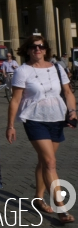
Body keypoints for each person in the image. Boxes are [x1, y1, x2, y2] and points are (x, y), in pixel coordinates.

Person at [6, 35, 76, 224]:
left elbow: (68, 92)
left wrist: (73, 111)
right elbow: (15, 100)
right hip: (34, 119)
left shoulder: (57, 68)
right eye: (34, 47)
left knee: (45, 162)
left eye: (41, 47)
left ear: (46, 49)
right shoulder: (23, 71)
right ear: (27, 50)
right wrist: (10, 125)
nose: (38, 50)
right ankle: (62, 209)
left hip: (57, 118)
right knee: (50, 162)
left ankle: (38, 198)